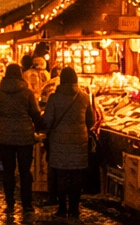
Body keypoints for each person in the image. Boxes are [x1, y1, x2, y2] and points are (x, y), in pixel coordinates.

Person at [41, 66, 95, 219]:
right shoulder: (84, 97)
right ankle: (74, 208)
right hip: (79, 142)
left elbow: (47, 121)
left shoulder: (54, 98)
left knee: (62, 175)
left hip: (59, 142)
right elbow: (91, 120)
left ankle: (62, 208)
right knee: (77, 175)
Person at [0, 63, 44, 214]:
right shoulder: (27, 93)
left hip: (5, 136)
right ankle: (27, 204)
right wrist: (40, 128)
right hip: (24, 136)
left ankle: (10, 204)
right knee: (25, 171)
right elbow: (35, 113)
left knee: (8, 171)